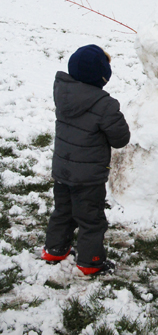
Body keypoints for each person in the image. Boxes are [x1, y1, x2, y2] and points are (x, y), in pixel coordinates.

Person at [41, 44, 131, 276]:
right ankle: (91, 262)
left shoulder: (62, 92)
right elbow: (120, 139)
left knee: (63, 211)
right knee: (91, 219)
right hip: (88, 177)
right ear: (102, 76)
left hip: (63, 169)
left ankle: (54, 250)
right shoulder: (105, 105)